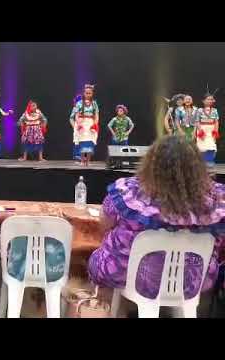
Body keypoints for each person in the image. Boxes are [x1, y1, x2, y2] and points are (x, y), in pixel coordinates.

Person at [88, 136, 225, 307]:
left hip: (126, 274)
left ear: (151, 163)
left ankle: (105, 308)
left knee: (100, 257)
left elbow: (104, 223)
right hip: (191, 282)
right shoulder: (217, 200)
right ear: (198, 166)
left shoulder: (128, 193)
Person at [70, 84, 99, 166]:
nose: (88, 94)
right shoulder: (79, 103)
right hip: (82, 123)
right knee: (82, 141)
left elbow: (96, 115)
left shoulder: (94, 103)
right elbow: (76, 115)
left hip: (90, 123)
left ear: (92, 94)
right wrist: (78, 124)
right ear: (84, 93)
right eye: (86, 93)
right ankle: (82, 160)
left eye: (89, 93)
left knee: (90, 142)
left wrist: (95, 124)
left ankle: (88, 161)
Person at [196, 90, 220, 166]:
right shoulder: (199, 110)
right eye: (208, 99)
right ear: (203, 101)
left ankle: (209, 163)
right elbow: (197, 122)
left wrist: (215, 131)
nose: (210, 101)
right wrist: (200, 132)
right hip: (202, 130)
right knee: (202, 147)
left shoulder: (214, 110)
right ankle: (201, 164)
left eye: (211, 99)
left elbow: (216, 121)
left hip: (211, 130)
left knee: (211, 146)